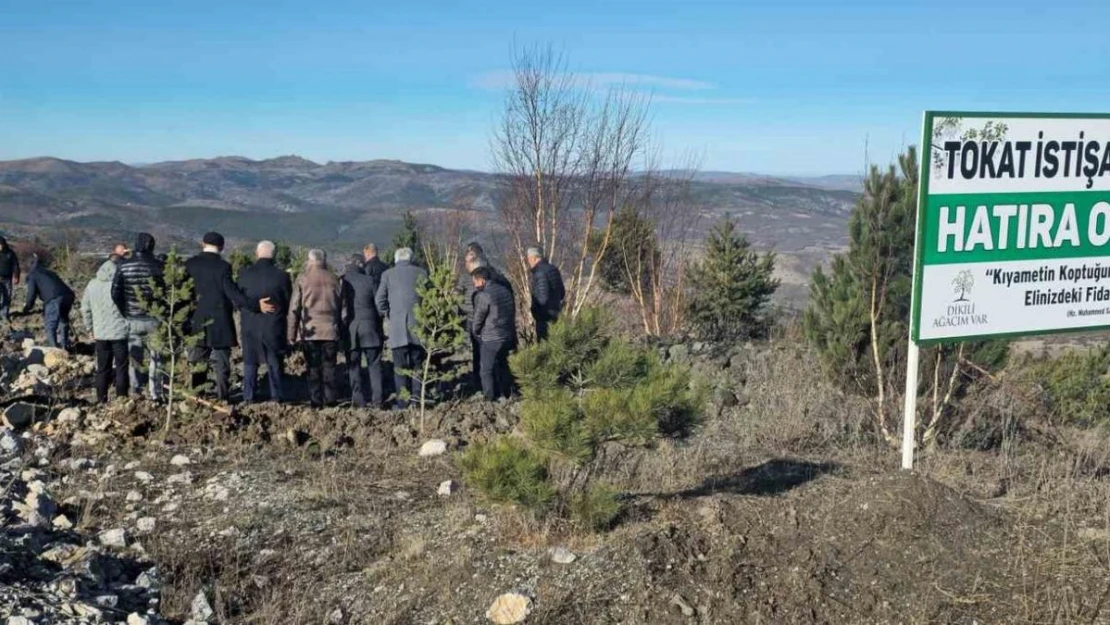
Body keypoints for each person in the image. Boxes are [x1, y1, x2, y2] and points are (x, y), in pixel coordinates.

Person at [185, 232, 275, 402]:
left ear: (202, 244)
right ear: (222, 247)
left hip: (197, 319)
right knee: (222, 363)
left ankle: (197, 396)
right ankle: (223, 396)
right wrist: (256, 305)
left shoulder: (190, 264)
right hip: (220, 320)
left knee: (198, 361)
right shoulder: (223, 267)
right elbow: (233, 293)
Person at [237, 241, 293, 404]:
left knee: (250, 362)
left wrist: (253, 308)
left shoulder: (244, 274)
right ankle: (276, 396)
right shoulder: (282, 276)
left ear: (256, 253)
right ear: (274, 254)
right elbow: (287, 301)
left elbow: (239, 301)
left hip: (250, 324)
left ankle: (249, 395)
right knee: (274, 362)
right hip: (273, 325)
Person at [113, 232, 165, 401]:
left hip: (132, 317)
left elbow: (115, 292)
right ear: (152, 245)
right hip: (154, 318)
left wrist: (125, 311)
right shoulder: (159, 266)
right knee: (156, 358)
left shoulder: (123, 266)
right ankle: (155, 392)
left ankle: (135, 389)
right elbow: (165, 292)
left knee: (135, 356)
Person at [289, 249, 342, 408]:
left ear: (310, 261)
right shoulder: (334, 279)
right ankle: (331, 400)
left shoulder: (303, 279)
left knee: (313, 367)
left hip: (310, 330)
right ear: (324, 260)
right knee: (329, 366)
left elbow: (294, 308)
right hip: (331, 330)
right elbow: (342, 307)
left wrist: (291, 334)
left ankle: (316, 401)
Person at [376, 247, 428, 409]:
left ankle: (402, 402)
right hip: (418, 327)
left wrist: (390, 314)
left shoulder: (387, 275)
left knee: (400, 368)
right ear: (410, 259)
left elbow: (379, 300)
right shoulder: (422, 273)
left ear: (396, 259)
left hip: (398, 329)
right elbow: (430, 298)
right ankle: (417, 401)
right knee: (417, 366)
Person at [82, 260, 130, 403]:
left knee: (102, 368)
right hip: (120, 333)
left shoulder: (92, 285)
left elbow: (85, 309)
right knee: (121, 367)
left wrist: (90, 328)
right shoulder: (121, 285)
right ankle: (121, 399)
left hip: (101, 333)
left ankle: (101, 400)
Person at [341, 255, 385, 408]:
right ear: (360, 265)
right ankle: (377, 400)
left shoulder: (342, 281)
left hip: (351, 329)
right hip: (370, 327)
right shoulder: (369, 280)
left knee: (353, 365)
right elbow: (379, 306)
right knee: (374, 364)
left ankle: (358, 400)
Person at [470, 266, 516, 400]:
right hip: (507, 334)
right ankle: (507, 392)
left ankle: (489, 397)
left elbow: (478, 319)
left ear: (481, 280)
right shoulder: (505, 291)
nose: (474, 285)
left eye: (475, 282)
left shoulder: (484, 295)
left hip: (491, 336)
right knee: (503, 365)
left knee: (486, 370)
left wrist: (476, 332)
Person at [22, 255, 75, 349]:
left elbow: (31, 294)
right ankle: (64, 346)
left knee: (50, 325)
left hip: (54, 298)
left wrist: (27, 307)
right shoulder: (48, 272)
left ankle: (54, 349)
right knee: (63, 321)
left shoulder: (32, 275)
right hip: (68, 295)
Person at [527, 247, 565, 341]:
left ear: (533, 258)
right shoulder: (553, 269)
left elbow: (542, 299)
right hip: (556, 314)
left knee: (545, 347)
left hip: (544, 318)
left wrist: (534, 311)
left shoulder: (540, 273)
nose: (528, 262)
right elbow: (562, 293)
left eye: (528, 259)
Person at [0, 236, 20, 332]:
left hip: (7, 279)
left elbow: (15, 265)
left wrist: (16, 276)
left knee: (7, 296)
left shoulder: (10, 253)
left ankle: (4, 314)